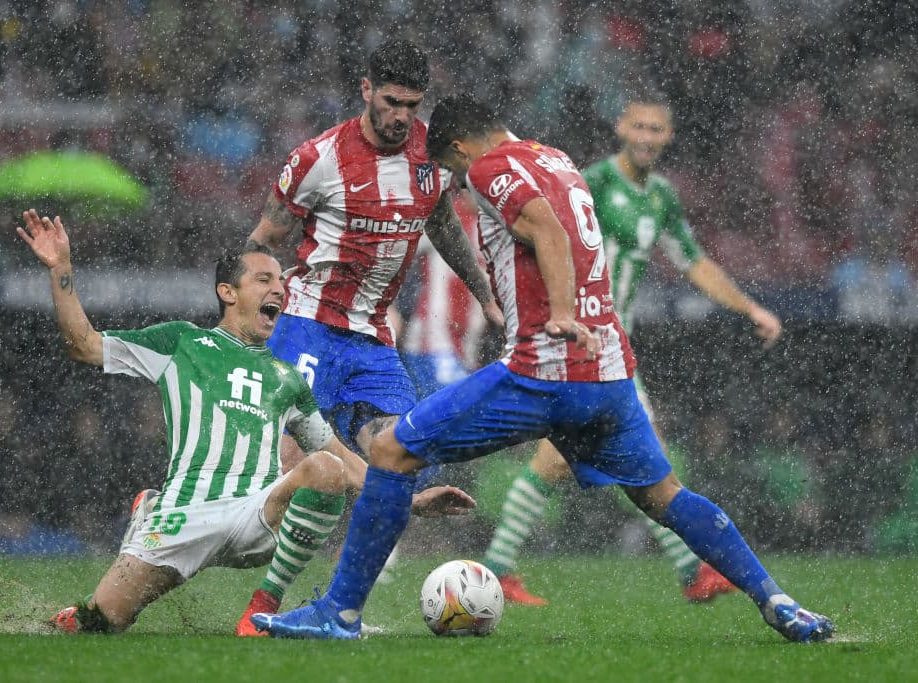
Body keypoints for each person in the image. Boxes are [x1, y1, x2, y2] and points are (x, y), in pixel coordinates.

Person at [251, 94, 834, 643]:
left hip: (543, 371)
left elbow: (546, 230)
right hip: (608, 373)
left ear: (457, 148)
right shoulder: (556, 159)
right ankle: (777, 600)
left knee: (390, 452)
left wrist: (558, 313)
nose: (456, 183)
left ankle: (339, 611)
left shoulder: (487, 167)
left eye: (451, 170)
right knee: (665, 495)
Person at [15, 210, 474, 635]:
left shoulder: (287, 376)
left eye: (280, 282)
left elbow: (336, 455)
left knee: (326, 469)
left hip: (257, 515)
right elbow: (84, 344)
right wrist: (60, 268)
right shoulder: (181, 342)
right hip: (186, 515)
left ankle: (264, 605)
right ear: (228, 292)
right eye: (264, 280)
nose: (279, 290)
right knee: (100, 623)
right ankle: (147, 519)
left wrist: (408, 501)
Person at [482, 86, 785, 605]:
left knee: (563, 460)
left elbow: (695, 262)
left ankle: (496, 571)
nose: (646, 137)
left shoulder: (661, 197)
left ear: (668, 136)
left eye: (656, 129)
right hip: (583, 338)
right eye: (638, 127)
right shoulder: (592, 182)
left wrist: (748, 306)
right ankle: (693, 572)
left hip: (608, 344)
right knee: (638, 459)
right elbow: (544, 236)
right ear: (621, 128)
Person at [245, 39, 501, 465]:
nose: (400, 115)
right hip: (309, 323)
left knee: (398, 457)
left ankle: (378, 531)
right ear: (367, 90)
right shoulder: (319, 158)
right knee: (286, 464)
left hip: (373, 337)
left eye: (412, 105)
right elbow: (262, 241)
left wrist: (486, 298)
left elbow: (442, 225)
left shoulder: (432, 156)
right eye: (391, 101)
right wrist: (243, 318)